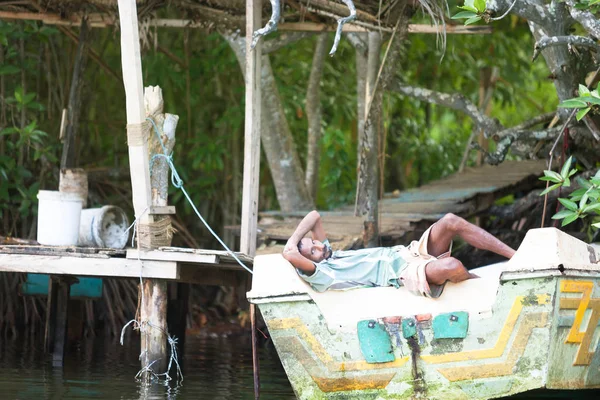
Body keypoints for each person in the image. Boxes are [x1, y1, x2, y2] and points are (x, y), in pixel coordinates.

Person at [282, 210, 516, 298]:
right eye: (314, 251)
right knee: (451, 266)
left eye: (316, 243)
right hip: (402, 273)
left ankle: (516, 256)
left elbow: (314, 215)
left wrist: (305, 242)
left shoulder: (329, 253)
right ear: (309, 262)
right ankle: (488, 289)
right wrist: (295, 245)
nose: (320, 247)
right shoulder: (322, 272)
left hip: (407, 253)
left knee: (450, 221)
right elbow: (289, 253)